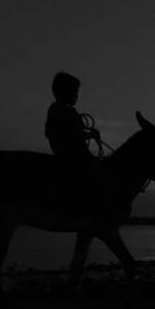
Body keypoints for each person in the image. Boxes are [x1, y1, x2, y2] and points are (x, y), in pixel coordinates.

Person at [45, 71, 117, 218]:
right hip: (75, 156)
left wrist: (84, 132)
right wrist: (90, 134)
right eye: (75, 92)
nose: (77, 95)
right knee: (101, 178)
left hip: (64, 153)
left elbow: (54, 132)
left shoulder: (55, 109)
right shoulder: (67, 110)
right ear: (65, 92)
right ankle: (95, 212)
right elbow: (71, 134)